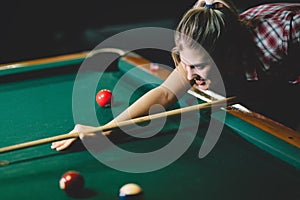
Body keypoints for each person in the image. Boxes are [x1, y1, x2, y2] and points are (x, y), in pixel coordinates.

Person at [51, 1, 300, 151]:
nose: (189, 75)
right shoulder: (200, 47)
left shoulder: (284, 37)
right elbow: (166, 92)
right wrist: (104, 130)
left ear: (228, 54)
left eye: (198, 67)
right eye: (185, 64)